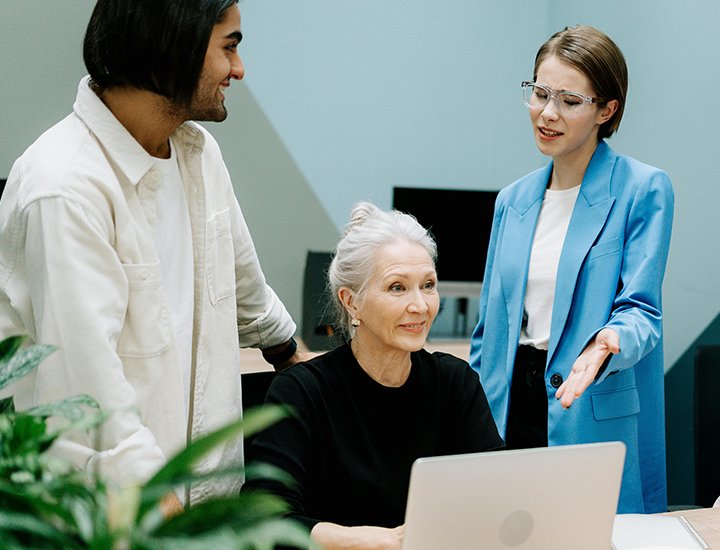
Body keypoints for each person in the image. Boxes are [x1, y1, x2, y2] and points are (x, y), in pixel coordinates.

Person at [0, 0, 308, 510]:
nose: (238, 69)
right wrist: (167, 522)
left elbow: (241, 280)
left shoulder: (199, 153)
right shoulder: (65, 188)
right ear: (173, 44)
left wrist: (288, 353)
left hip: (204, 506)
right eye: (229, 47)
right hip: (114, 517)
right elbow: (93, 398)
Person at [469, 25, 674, 514]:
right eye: (540, 93)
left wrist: (608, 341)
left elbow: (642, 310)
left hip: (587, 397)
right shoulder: (512, 200)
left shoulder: (643, 189)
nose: (548, 113)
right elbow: (489, 328)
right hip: (508, 404)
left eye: (569, 101)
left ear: (607, 110)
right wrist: (469, 410)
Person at [245, 202, 503, 550]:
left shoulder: (456, 382)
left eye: (428, 285)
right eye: (397, 287)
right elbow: (263, 519)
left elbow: (493, 494)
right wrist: (372, 540)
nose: (421, 305)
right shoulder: (301, 391)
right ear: (351, 302)